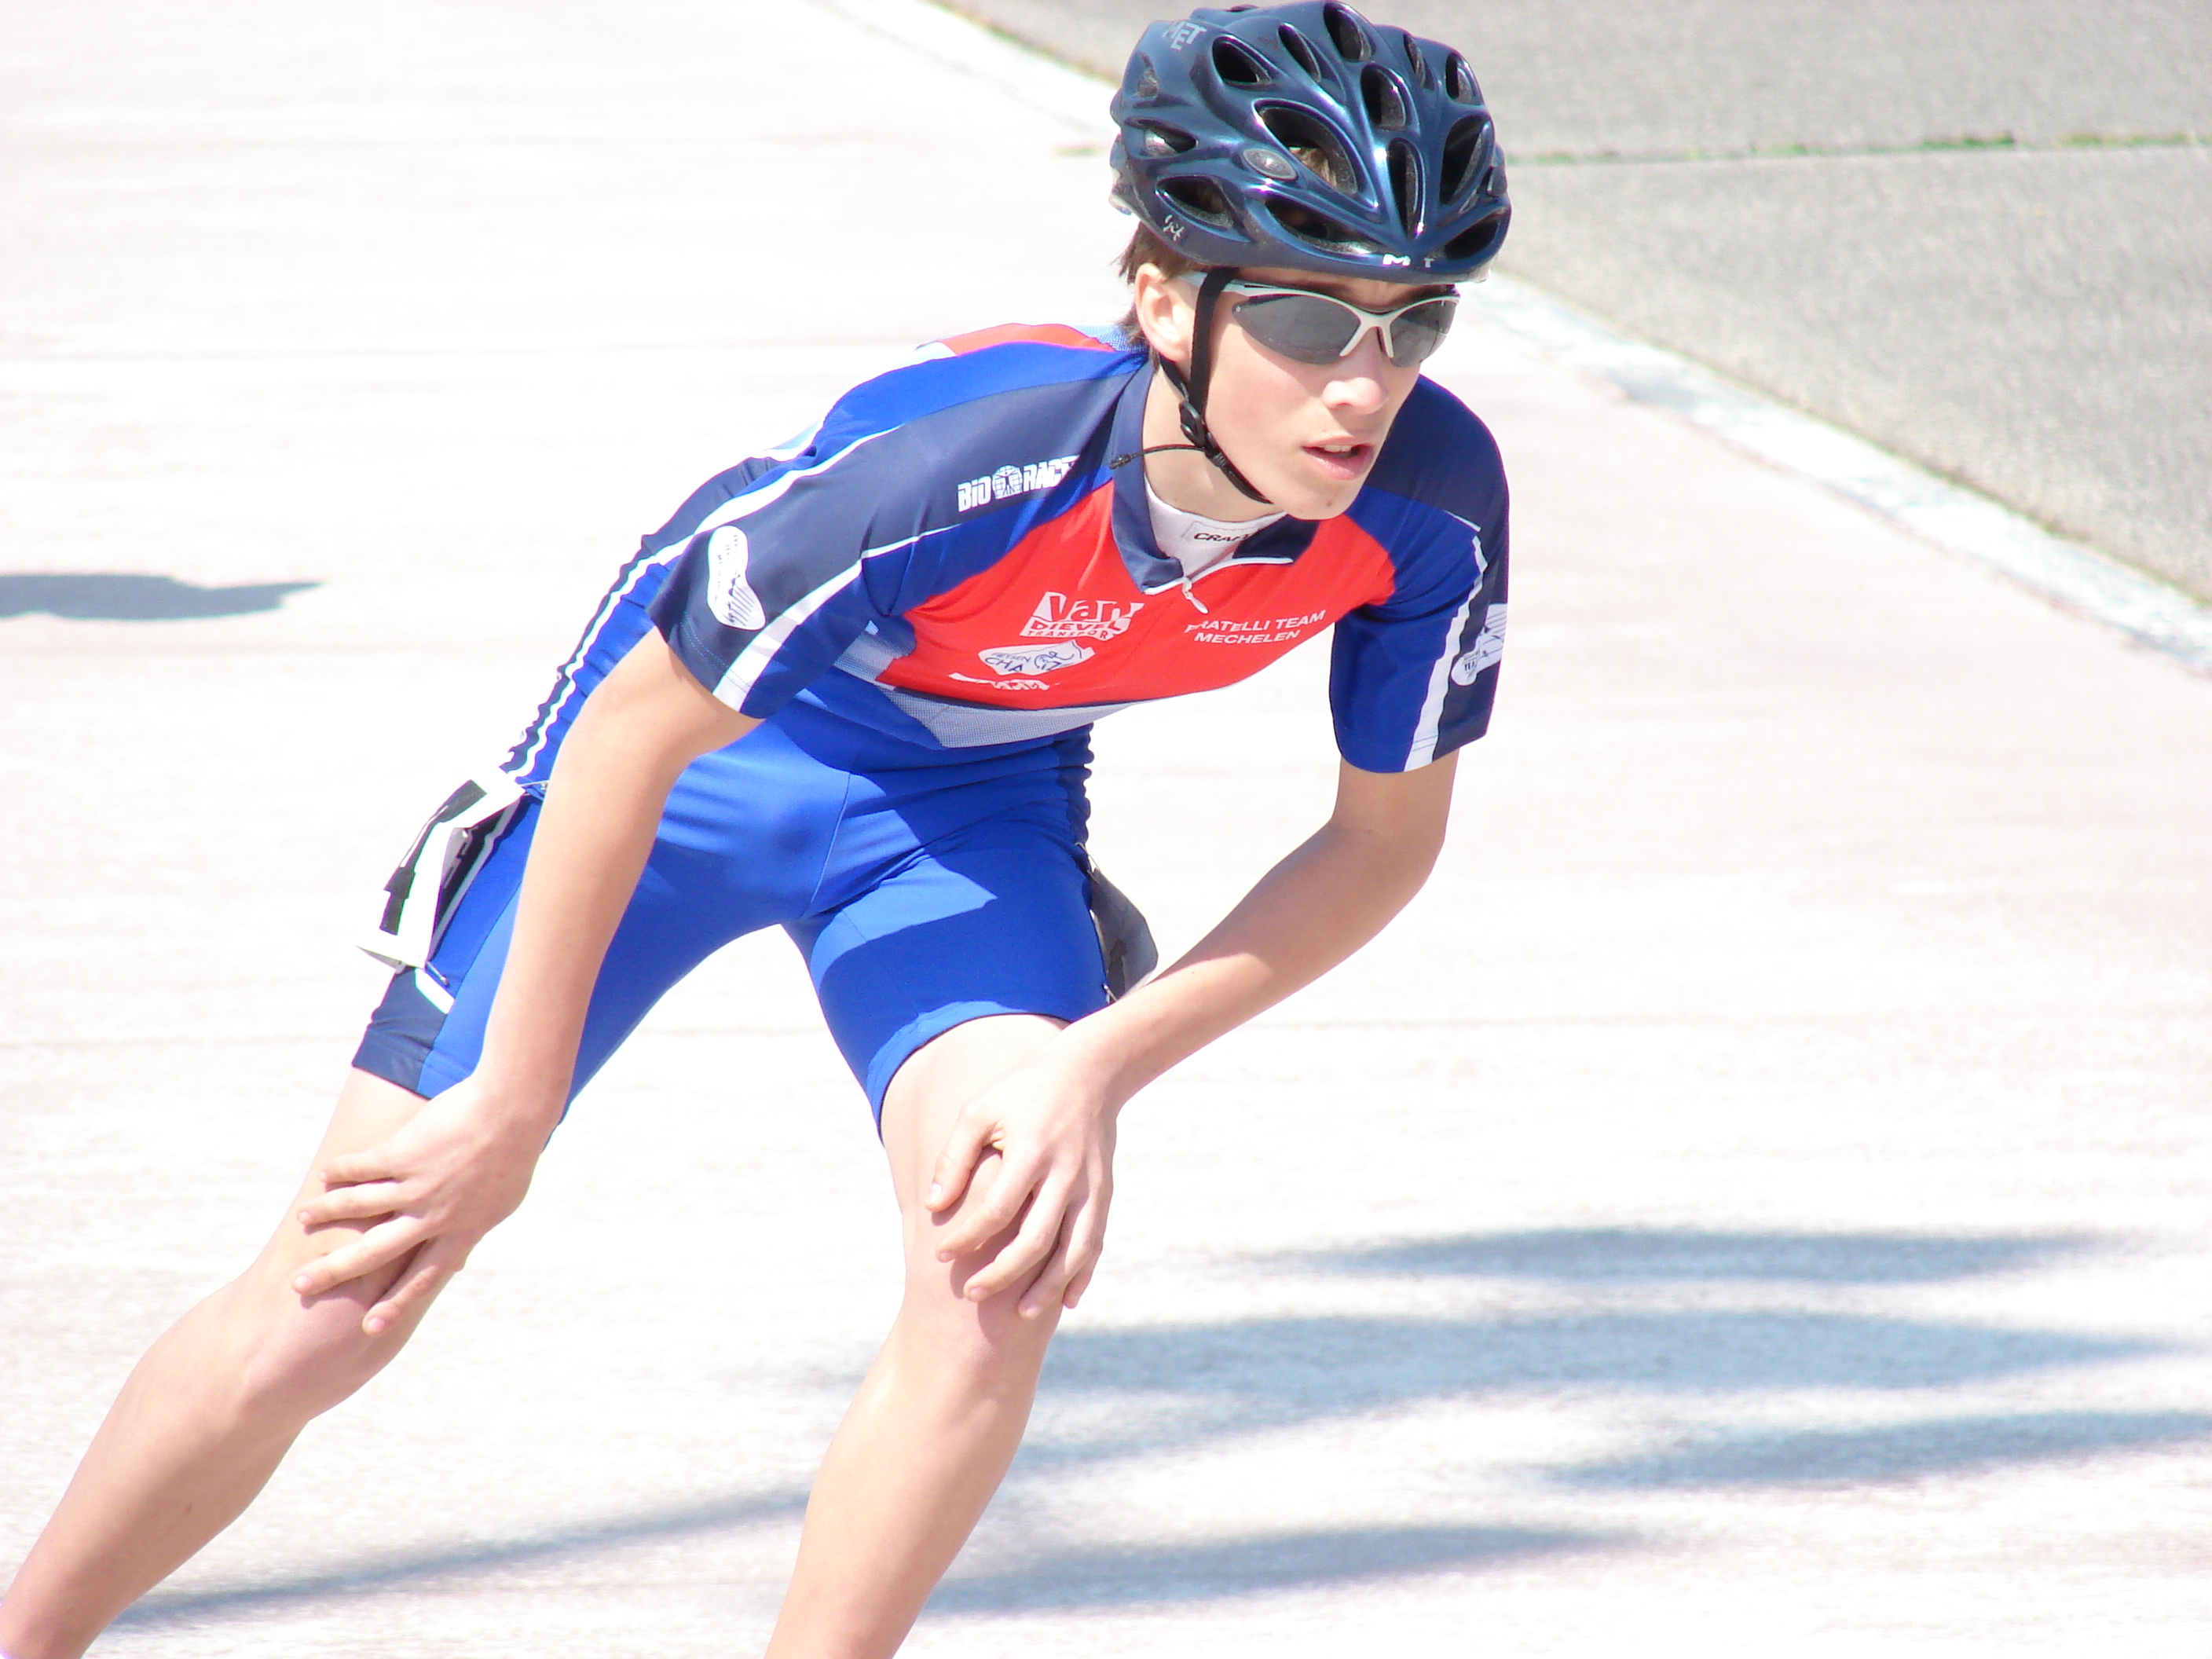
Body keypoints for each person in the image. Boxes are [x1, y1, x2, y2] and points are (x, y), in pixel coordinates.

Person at [0, 4, 1511, 1654]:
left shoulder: (1430, 505)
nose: (1362, 385)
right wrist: (508, 1103)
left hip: (968, 802)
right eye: (1304, 316)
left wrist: (1095, 1065)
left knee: (994, 1275)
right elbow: (633, 735)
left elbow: (1381, 844)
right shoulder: (974, 459)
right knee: (339, 1296)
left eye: (1412, 324)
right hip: (692, 765)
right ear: (1164, 299)